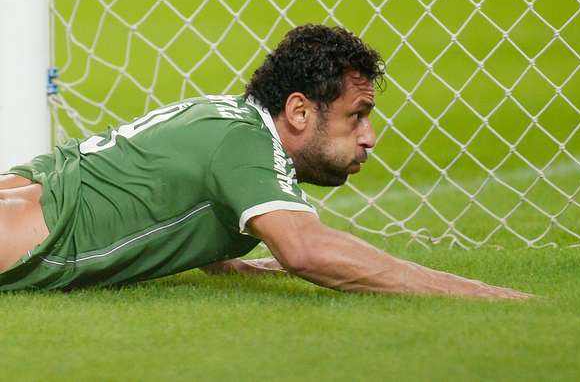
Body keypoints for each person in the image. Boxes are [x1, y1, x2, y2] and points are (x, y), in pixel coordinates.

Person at [0, 24, 530, 299]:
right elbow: (305, 251)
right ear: (298, 110)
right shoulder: (246, 146)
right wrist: (468, 290)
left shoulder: (227, 117)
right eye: (357, 115)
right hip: (29, 233)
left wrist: (219, 256)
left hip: (28, 195)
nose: (370, 138)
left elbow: (163, 185)